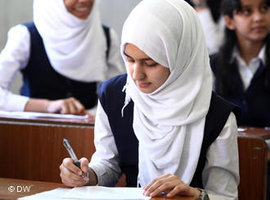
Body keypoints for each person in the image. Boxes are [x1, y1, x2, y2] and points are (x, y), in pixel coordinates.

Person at [59, 0, 239, 199]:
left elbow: (226, 196)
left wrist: (196, 195)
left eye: (150, 63)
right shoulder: (115, 95)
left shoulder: (218, 116)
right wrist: (86, 176)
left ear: (181, 58)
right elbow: (108, 164)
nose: (136, 75)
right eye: (129, 59)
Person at [0, 0, 124, 115]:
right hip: (34, 133)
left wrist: (94, 115)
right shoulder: (25, 36)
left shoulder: (106, 37)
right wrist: (46, 106)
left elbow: (118, 96)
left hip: (88, 133)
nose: (84, 1)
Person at [210, 0, 270, 127]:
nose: (258, 17)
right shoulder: (212, 65)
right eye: (247, 11)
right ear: (229, 21)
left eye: (264, 9)